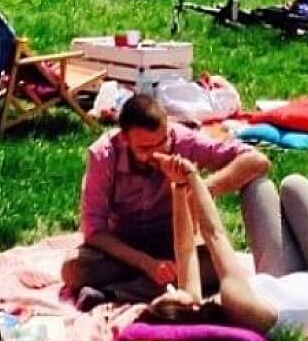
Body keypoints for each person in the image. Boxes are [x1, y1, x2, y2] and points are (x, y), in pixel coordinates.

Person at [59, 92, 269, 303]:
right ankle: (150, 284)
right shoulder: (103, 155)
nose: (156, 153)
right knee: (73, 269)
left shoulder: (183, 141)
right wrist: (145, 263)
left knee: (217, 264)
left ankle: (112, 294)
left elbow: (256, 160)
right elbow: (94, 230)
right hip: (124, 245)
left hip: (175, 241)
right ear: (124, 139)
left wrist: (202, 189)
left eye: (162, 143)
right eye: (144, 148)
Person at [142, 163, 308, 341]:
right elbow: (214, 234)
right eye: (168, 294)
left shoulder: (200, 310)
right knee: (294, 185)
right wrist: (192, 175)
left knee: (257, 188)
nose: (169, 290)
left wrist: (179, 188)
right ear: (184, 307)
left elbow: (185, 251)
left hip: (289, 281)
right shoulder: (236, 299)